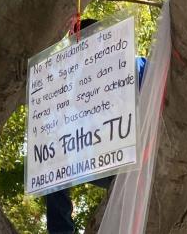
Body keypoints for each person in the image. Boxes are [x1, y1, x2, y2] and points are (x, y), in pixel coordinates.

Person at [46, 18, 147, 234]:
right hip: (97, 160)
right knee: (51, 165)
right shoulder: (73, 82)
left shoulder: (134, 64)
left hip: (130, 159)